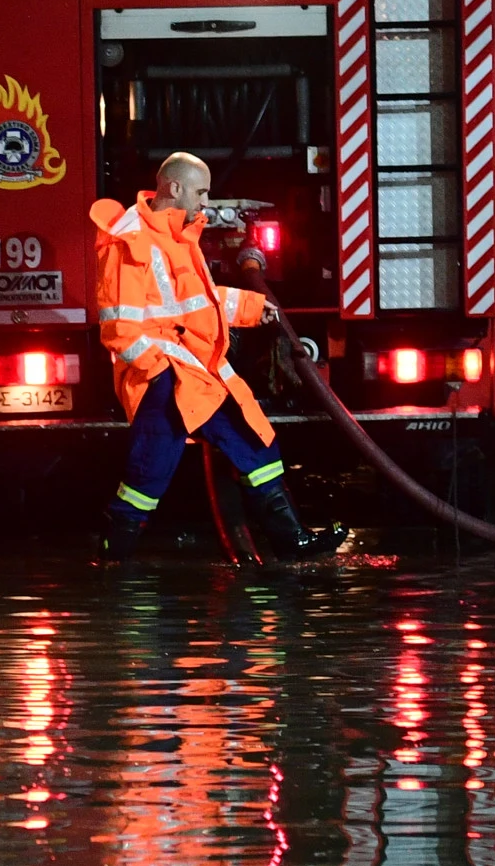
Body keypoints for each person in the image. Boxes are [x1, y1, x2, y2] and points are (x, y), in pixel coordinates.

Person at [88, 153, 347, 563]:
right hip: (166, 379)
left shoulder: (179, 236)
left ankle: (290, 538)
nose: (206, 201)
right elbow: (119, 328)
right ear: (174, 188)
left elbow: (200, 304)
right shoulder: (129, 240)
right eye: (201, 191)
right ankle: (112, 556)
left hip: (193, 375)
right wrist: (159, 375)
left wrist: (252, 306)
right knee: (149, 474)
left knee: (252, 438)